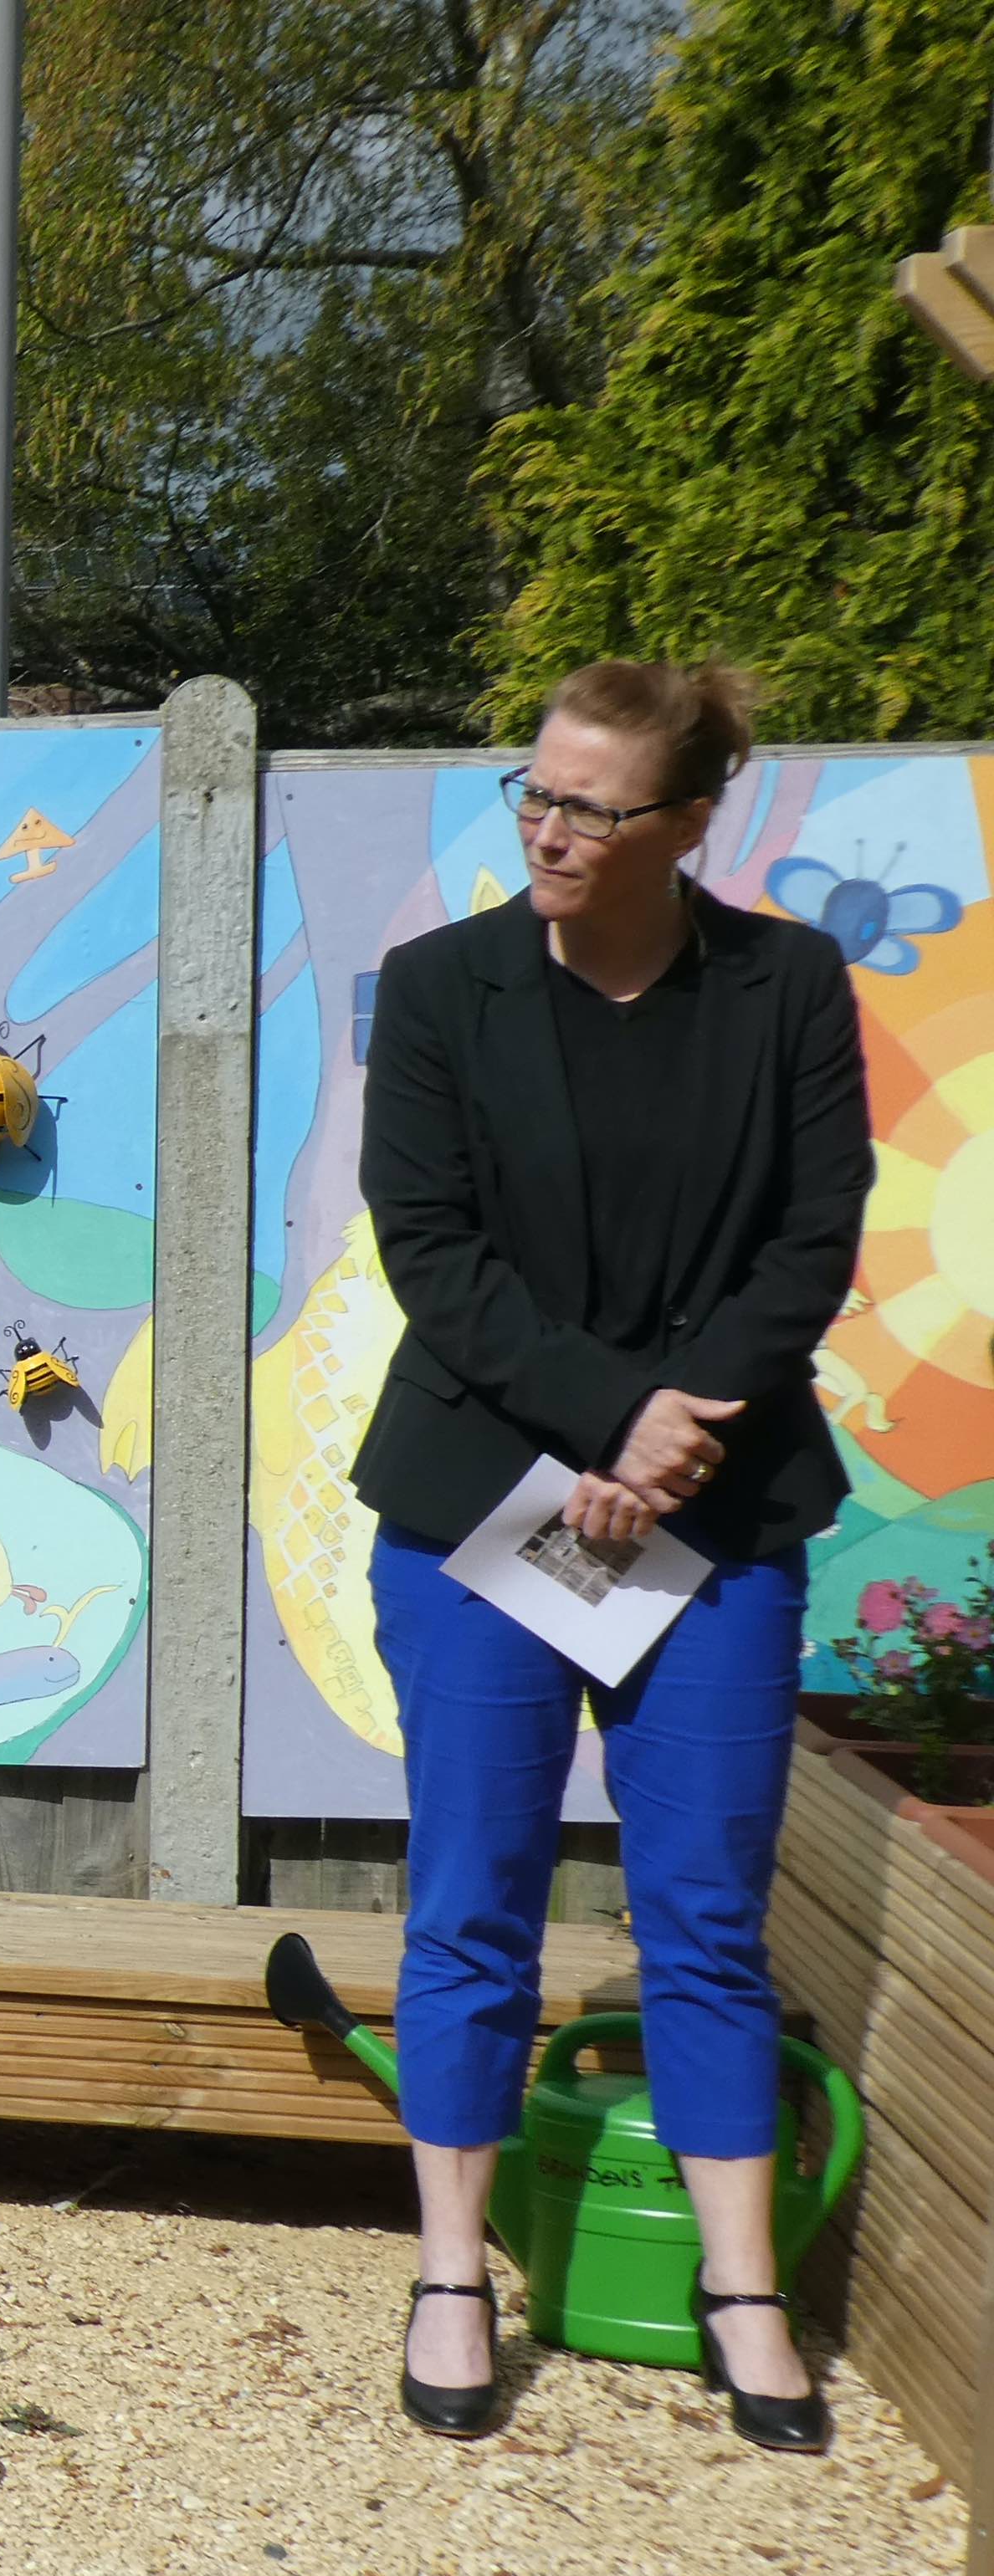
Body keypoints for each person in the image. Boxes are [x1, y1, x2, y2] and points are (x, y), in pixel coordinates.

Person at [354, 659, 871, 2451]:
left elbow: (813, 1238)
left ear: (688, 821)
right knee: (472, 1902)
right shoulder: (441, 987)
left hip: (716, 1516)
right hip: (482, 1505)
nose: (550, 831)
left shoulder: (788, 984)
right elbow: (430, 1246)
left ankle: (744, 2288)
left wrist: (682, 1429)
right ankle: (448, 2270)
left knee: (705, 1919)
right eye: (536, 795)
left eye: (591, 807)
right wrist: (600, 1422)